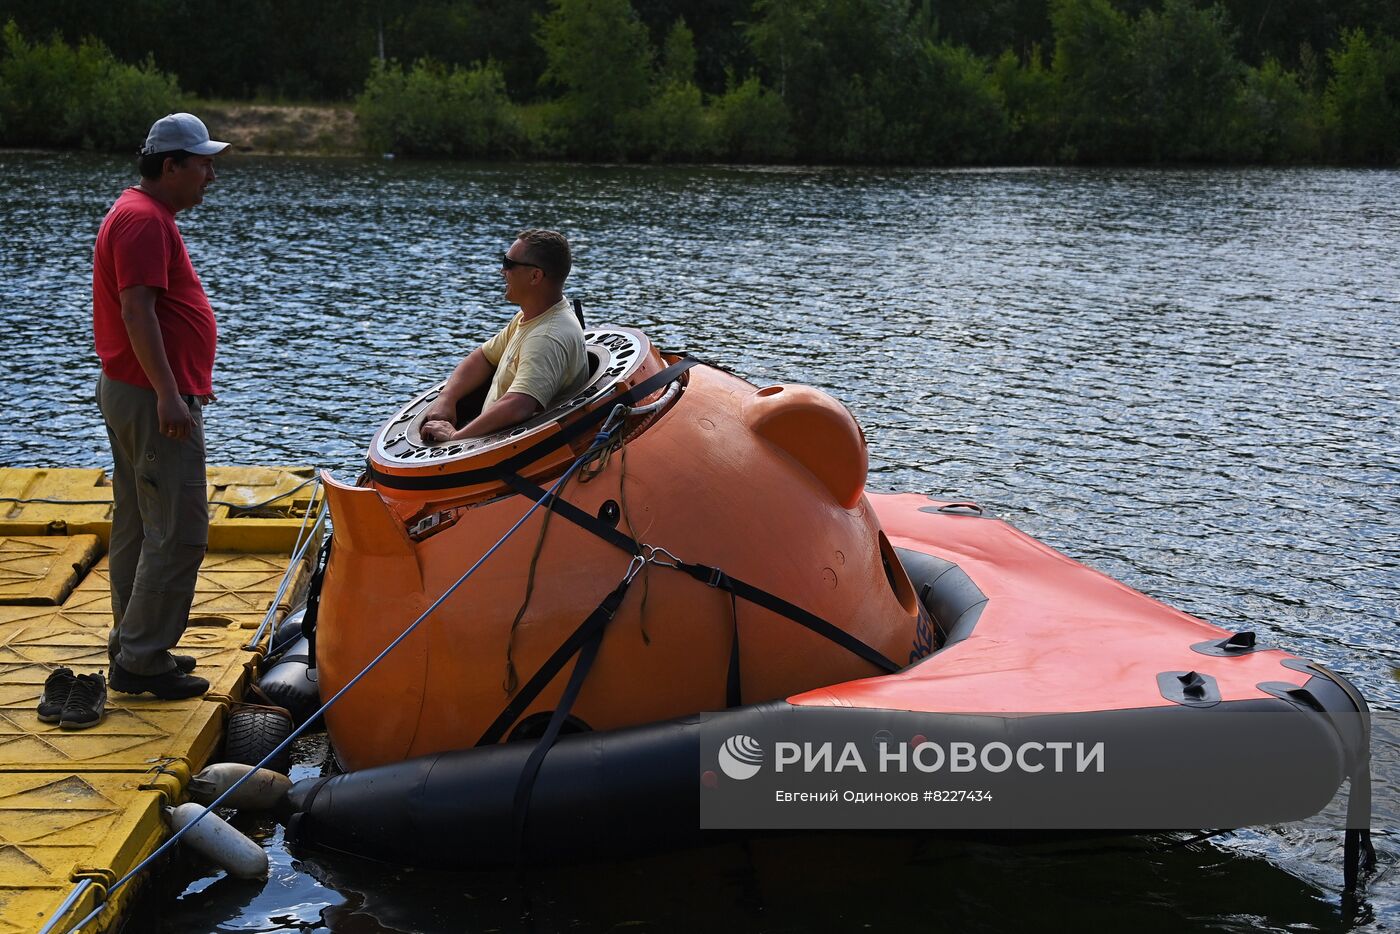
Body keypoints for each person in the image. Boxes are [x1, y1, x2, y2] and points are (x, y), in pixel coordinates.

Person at [91, 112, 230, 703]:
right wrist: (172, 394)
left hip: (138, 391)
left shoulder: (145, 215)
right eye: (202, 165)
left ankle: (134, 642)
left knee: (139, 522)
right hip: (152, 397)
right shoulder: (144, 220)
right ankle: (143, 659)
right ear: (170, 165)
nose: (210, 176)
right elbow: (137, 312)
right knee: (179, 529)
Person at [420, 230, 589, 442]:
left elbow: (519, 405)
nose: (502, 271)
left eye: (509, 263)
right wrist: (447, 398)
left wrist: (455, 437)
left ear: (535, 276)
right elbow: (482, 357)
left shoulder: (547, 337)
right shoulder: (530, 316)